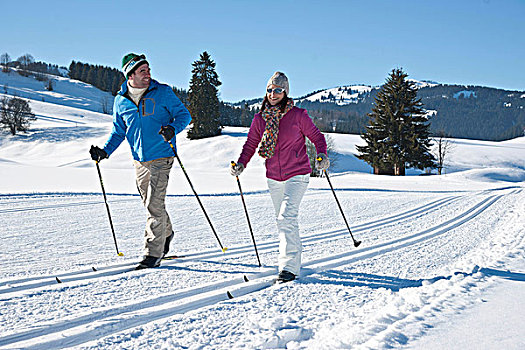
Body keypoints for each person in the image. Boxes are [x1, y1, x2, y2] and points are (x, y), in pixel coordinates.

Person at [90, 53, 192, 270]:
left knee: (154, 203)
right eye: (142, 71)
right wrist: (104, 152)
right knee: (151, 204)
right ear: (130, 75)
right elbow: (119, 131)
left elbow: (184, 115)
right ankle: (167, 232)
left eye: (148, 70)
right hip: (139, 160)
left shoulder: (162, 92)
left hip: (162, 155)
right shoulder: (121, 101)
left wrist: (172, 129)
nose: (148, 74)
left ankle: (152, 253)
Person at [231, 72, 330, 283]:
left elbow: (317, 138)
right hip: (273, 177)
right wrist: (241, 163)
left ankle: (288, 267)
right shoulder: (260, 118)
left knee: (286, 217)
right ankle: (294, 255)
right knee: (283, 220)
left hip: (297, 174)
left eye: (277, 90)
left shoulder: (298, 115)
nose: (273, 94)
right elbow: (250, 144)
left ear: (285, 92)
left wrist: (321, 156)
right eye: (269, 90)